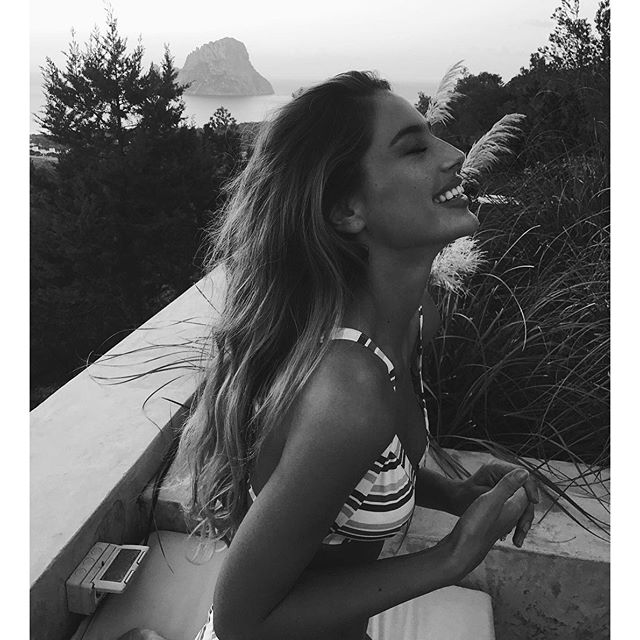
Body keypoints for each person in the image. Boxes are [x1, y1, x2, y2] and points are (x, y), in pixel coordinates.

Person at [124, 70, 538, 640]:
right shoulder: (348, 389)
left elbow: (352, 478)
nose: (454, 154)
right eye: (414, 148)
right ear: (347, 210)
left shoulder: (412, 322)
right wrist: (452, 557)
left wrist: (455, 494)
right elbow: (244, 620)